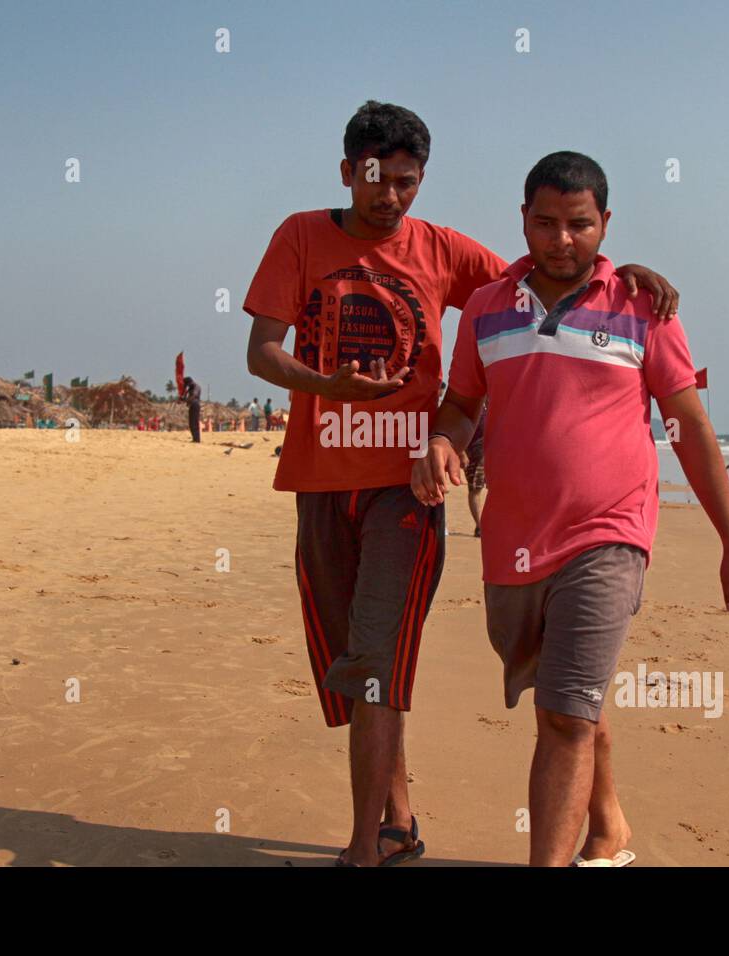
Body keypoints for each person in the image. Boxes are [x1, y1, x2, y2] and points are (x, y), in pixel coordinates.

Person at [244, 102, 680, 868]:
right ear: (348, 171)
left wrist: (625, 274)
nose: (390, 198)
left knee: (378, 662)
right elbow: (261, 353)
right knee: (355, 669)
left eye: (408, 183)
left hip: (407, 488)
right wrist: (328, 386)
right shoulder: (300, 236)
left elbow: (545, 270)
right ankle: (404, 823)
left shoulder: (441, 250)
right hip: (318, 481)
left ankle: (361, 850)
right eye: (376, 180)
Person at [413, 151, 729, 867]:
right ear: (523, 221)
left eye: (579, 224)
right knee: (568, 693)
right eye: (545, 223)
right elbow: (461, 406)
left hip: (610, 534)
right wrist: (442, 444)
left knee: (565, 715)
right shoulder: (486, 309)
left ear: (606, 224)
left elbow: (688, 426)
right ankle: (609, 827)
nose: (561, 240)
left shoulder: (643, 308)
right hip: (511, 541)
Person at [464, 399, 487, 537]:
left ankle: (484, 525)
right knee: (476, 489)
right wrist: (461, 453)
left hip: (489, 449)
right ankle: (480, 527)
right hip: (475, 451)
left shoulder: (486, 404)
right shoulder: (468, 404)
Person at [183, 377, 201, 443]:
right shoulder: (190, 388)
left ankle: (197, 439)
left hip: (195, 405)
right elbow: (186, 397)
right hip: (192, 405)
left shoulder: (196, 387)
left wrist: (186, 400)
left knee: (194, 423)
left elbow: (193, 396)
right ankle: (195, 438)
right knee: (191, 423)